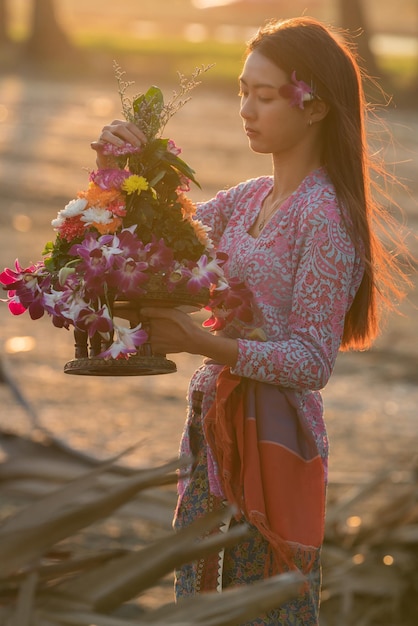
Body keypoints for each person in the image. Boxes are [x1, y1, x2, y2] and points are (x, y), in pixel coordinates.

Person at [91, 16, 411, 625]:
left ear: (314, 106)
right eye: (243, 91)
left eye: (263, 96)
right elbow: (158, 240)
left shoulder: (326, 219)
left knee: (262, 604)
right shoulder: (247, 199)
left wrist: (201, 340)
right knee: (200, 597)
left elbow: (312, 362)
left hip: (274, 440)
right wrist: (121, 167)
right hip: (213, 425)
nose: (246, 109)